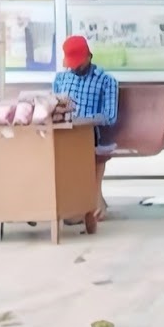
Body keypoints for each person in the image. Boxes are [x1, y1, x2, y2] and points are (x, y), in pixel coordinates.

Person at [53, 35, 118, 220]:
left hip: (90, 133)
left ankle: (85, 204)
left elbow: (110, 116)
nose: (74, 68)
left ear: (89, 57)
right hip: (63, 132)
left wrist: (83, 121)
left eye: (77, 64)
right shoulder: (61, 79)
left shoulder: (106, 81)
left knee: (83, 147)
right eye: (71, 64)